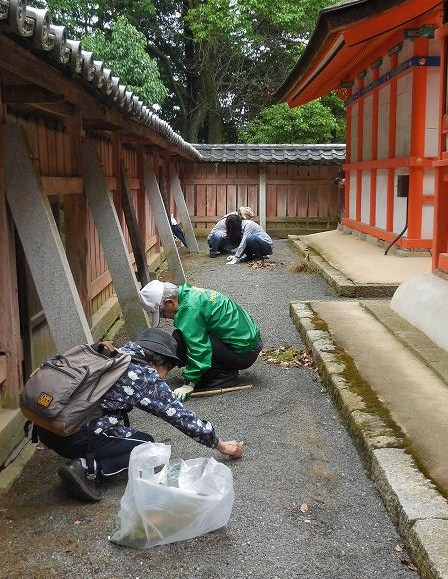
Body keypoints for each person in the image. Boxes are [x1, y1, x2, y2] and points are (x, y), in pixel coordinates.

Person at [35, 329, 243, 502]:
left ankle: (84, 453)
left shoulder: (110, 354)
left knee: (113, 427)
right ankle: (88, 468)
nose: (164, 377)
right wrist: (219, 444)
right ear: (158, 363)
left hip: (46, 427)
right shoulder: (142, 375)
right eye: (167, 371)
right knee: (146, 446)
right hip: (73, 436)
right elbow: (180, 416)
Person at [139, 280, 262, 401]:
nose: (165, 317)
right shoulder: (188, 293)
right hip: (247, 345)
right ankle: (164, 367)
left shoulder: (189, 309)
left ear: (170, 302)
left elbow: (199, 348)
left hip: (244, 354)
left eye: (163, 313)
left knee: (192, 346)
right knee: (180, 336)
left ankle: (224, 375)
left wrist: (190, 382)